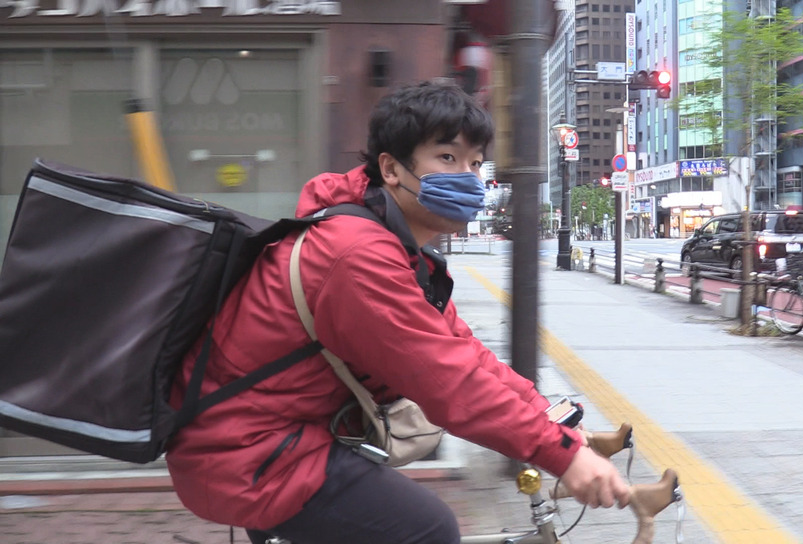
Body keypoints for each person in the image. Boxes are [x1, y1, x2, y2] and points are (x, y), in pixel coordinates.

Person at [164, 81, 630, 544]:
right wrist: (561, 455)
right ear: (390, 168)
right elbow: (447, 380)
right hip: (244, 454)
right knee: (427, 529)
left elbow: (463, 351)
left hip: (271, 440)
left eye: (474, 163)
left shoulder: (391, 245)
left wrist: (549, 417)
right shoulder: (356, 255)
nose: (467, 178)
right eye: (446, 158)